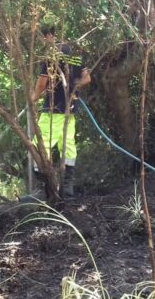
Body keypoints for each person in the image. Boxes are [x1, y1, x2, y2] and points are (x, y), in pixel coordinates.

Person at [31, 26, 91, 197]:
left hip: (53, 108)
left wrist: (34, 97)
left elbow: (42, 83)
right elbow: (87, 78)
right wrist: (72, 87)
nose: (43, 42)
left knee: (41, 143)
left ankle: (43, 190)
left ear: (50, 35)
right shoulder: (75, 54)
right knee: (67, 144)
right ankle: (67, 187)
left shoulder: (52, 55)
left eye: (43, 38)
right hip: (70, 109)